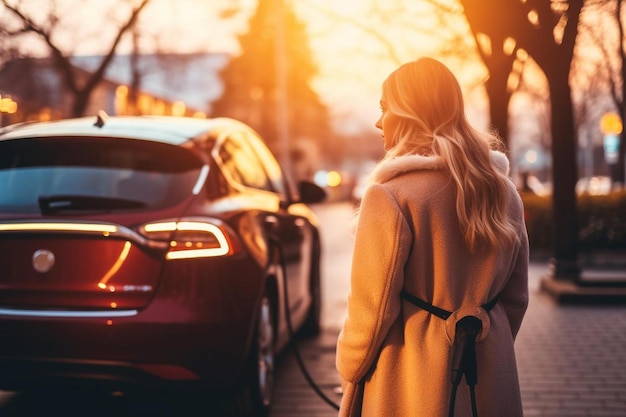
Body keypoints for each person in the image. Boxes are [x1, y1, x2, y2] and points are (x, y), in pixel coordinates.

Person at [335, 57, 529, 417]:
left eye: (384, 109)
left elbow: (371, 314)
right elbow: (516, 299)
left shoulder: (390, 196)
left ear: (410, 113)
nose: (379, 122)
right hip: (489, 370)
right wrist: (491, 348)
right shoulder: (502, 192)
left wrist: (349, 369)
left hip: (409, 380)